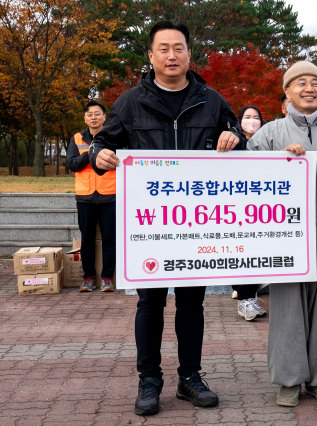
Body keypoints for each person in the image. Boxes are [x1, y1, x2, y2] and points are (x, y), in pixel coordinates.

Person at [88, 21, 243, 416]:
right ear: (151, 55)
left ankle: (190, 377)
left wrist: (234, 137)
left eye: (179, 48)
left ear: (190, 54)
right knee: (150, 303)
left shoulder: (212, 100)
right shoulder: (129, 103)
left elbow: (237, 137)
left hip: (198, 224)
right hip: (150, 226)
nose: (172, 55)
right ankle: (149, 380)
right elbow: (102, 143)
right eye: (164, 48)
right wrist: (98, 154)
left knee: (192, 303)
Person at [247, 60, 317, 407]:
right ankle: (288, 379)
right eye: (300, 82)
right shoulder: (269, 134)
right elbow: (246, 180)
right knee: (286, 313)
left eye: (316, 82)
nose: (309, 88)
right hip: (285, 239)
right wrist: (278, 161)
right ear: (287, 91)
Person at [65, 100, 116, 293]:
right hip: (85, 196)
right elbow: (71, 164)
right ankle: (88, 278)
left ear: (104, 117)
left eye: (97, 114)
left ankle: (107, 278)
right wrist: (91, 153)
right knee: (86, 239)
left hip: (110, 194)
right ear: (85, 118)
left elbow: (119, 162)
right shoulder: (77, 138)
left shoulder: (114, 138)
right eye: (90, 114)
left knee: (110, 239)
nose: (93, 117)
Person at [232, 105, 268, 321]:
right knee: (241, 253)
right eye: (247, 117)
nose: (252, 121)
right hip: (237, 207)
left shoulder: (267, 142)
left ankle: (251, 298)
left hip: (260, 207)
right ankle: (243, 300)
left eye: (256, 117)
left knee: (257, 254)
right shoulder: (233, 141)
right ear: (239, 121)